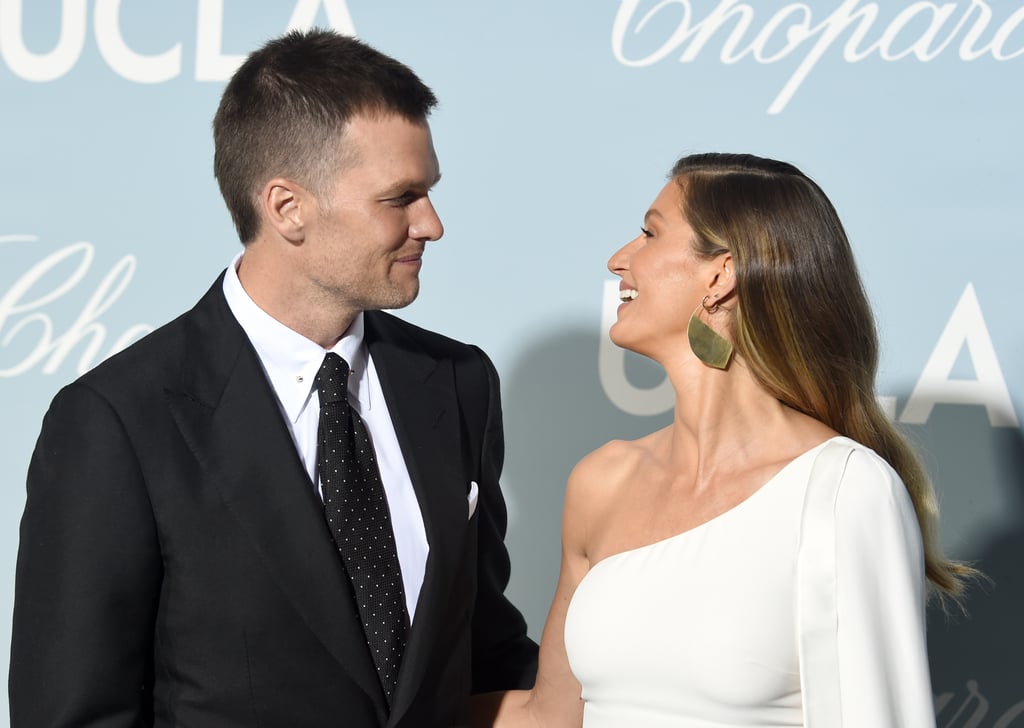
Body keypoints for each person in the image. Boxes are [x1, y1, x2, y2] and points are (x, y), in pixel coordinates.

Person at [10, 29, 537, 727]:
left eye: (429, 192)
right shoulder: (118, 420)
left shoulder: (457, 381)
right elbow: (73, 713)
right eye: (400, 198)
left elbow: (484, 653)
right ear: (287, 207)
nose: (431, 224)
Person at [473, 153, 975, 727]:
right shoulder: (602, 481)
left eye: (649, 233)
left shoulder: (843, 490)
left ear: (722, 274)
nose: (619, 260)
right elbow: (550, 718)